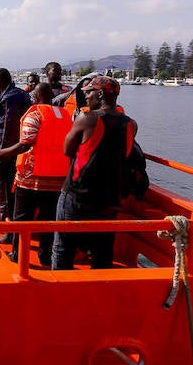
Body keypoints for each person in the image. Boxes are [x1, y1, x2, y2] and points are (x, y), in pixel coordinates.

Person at [52, 76, 137, 270]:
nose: (86, 96)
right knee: (102, 252)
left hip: (77, 196)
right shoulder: (130, 124)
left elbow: (67, 149)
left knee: (63, 248)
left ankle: (59, 293)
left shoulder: (88, 118)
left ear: (100, 94)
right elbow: (124, 153)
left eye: (89, 92)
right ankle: (99, 293)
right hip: (109, 199)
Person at [0, 83, 71, 265]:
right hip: (58, 178)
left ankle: (18, 254)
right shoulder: (65, 114)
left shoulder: (34, 114)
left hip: (31, 178)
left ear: (36, 97)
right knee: (48, 218)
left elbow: (25, 144)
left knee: (22, 218)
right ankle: (44, 255)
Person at [0, 68, 31, 226]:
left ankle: (8, 229)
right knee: (14, 193)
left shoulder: (9, 99)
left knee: (3, 192)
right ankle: (12, 227)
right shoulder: (21, 95)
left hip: (6, 154)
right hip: (21, 151)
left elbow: (5, 130)